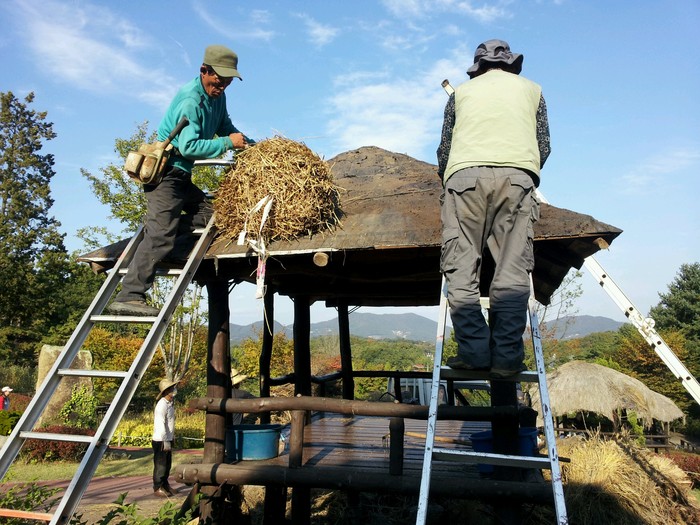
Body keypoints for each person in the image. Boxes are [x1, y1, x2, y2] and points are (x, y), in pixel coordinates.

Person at [108, 44, 254, 316]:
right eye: (218, 79)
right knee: (160, 235)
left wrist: (249, 144)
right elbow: (189, 148)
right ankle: (129, 295)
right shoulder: (191, 100)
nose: (222, 85)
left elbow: (226, 127)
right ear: (204, 71)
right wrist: (227, 143)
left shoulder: (217, 97)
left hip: (181, 177)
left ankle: (162, 249)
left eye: (228, 81)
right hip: (165, 176)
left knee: (215, 216)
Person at [436, 39, 551, 379]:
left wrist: (453, 179)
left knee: (460, 266)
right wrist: (522, 171)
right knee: (513, 272)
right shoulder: (534, 91)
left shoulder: (461, 94)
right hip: (518, 180)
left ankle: (473, 351)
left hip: (464, 179)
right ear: (512, 64)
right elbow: (543, 146)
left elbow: (445, 149)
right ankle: (506, 359)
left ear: (478, 66)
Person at [152, 378, 177, 497]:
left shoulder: (170, 404)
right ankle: (157, 486)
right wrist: (165, 440)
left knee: (167, 464)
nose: (174, 390)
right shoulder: (161, 405)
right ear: (166, 391)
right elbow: (160, 423)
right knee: (160, 465)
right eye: (172, 388)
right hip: (161, 439)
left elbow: (170, 422)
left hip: (168, 437)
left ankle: (165, 484)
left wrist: (172, 436)